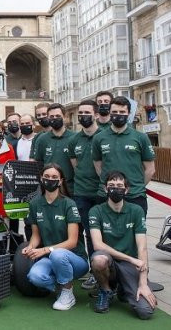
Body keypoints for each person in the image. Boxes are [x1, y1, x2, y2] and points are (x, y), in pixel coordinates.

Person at [89, 171, 156, 319]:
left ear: (126, 190)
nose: (115, 189)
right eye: (111, 185)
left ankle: (124, 289)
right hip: (111, 262)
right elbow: (98, 245)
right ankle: (106, 290)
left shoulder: (136, 211)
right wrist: (131, 259)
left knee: (146, 312)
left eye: (120, 186)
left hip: (130, 267)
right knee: (99, 260)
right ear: (105, 189)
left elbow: (142, 248)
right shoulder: (96, 211)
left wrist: (143, 282)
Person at [23, 163, 88, 311]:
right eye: (46, 177)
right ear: (41, 179)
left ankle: (67, 293)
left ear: (60, 181)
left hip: (75, 259)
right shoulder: (35, 204)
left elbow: (72, 242)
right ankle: (63, 287)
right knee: (34, 276)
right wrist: (30, 247)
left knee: (57, 254)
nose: (50, 180)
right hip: (51, 257)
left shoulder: (69, 204)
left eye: (54, 177)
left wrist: (45, 250)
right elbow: (36, 235)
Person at [92, 96, 155, 215]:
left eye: (122, 112)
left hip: (135, 196)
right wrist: (112, 185)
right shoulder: (99, 138)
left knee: (137, 233)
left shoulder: (141, 137)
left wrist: (136, 186)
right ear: (110, 113)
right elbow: (98, 166)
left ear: (129, 114)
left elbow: (150, 169)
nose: (118, 114)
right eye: (115, 112)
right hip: (106, 195)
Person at [67, 100, 103, 289]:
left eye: (87, 112)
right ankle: (92, 272)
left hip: (102, 193)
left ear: (96, 115)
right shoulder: (74, 140)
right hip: (81, 193)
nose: (82, 116)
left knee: (102, 233)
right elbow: (75, 165)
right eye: (80, 113)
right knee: (86, 233)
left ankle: (105, 270)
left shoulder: (104, 136)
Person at [31, 103, 74, 195]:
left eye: (58, 116)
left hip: (70, 188)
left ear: (65, 117)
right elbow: (38, 164)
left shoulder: (74, 137)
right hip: (48, 188)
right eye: (51, 116)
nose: (54, 118)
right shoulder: (42, 139)